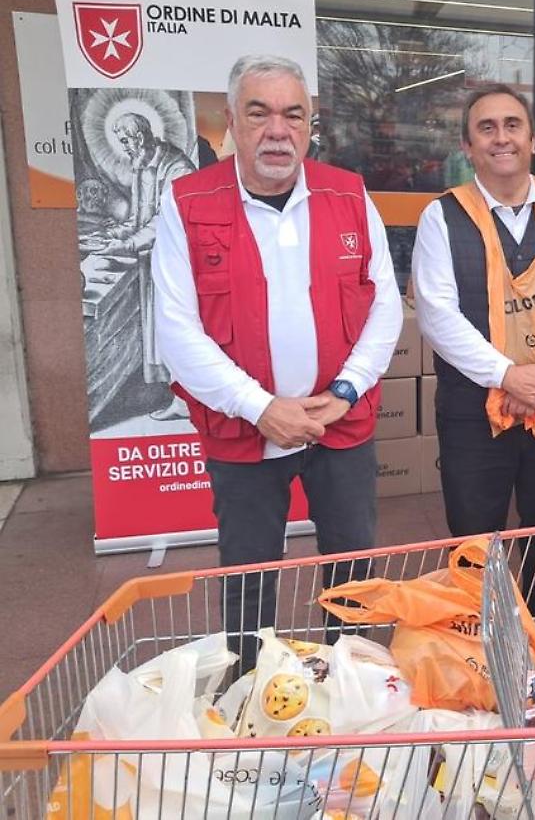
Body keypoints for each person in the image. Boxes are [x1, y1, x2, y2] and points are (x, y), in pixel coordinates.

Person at [152, 55, 404, 668]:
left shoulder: (347, 194)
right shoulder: (186, 202)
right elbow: (177, 333)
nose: (277, 130)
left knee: (349, 562)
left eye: (294, 115)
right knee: (248, 566)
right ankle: (249, 680)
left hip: (337, 421)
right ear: (232, 123)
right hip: (242, 429)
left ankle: (348, 679)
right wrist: (261, 407)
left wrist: (345, 390)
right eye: (258, 112)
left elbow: (386, 307)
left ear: (310, 124)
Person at [411, 84, 535, 664]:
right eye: (487, 128)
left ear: (533, 139)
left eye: (512, 125)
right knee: (475, 530)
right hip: (473, 409)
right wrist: (506, 374)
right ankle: (477, 637)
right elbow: (436, 312)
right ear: (468, 145)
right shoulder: (441, 216)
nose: (502, 138)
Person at [81, 112, 197, 420]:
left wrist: (129, 243)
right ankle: (179, 397)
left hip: (181, 263)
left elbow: (169, 220)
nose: (124, 148)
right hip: (153, 260)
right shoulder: (141, 164)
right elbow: (140, 217)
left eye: (126, 141)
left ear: (140, 137)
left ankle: (190, 401)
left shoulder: (177, 168)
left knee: (181, 329)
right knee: (161, 331)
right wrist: (116, 234)